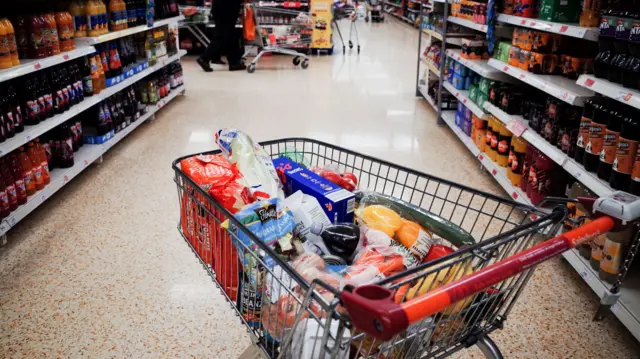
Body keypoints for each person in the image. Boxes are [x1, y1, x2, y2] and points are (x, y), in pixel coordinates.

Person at [197, 0, 246, 72]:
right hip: (227, 9)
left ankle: (234, 62)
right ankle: (204, 58)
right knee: (222, 35)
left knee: (230, 35)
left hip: (222, 8)